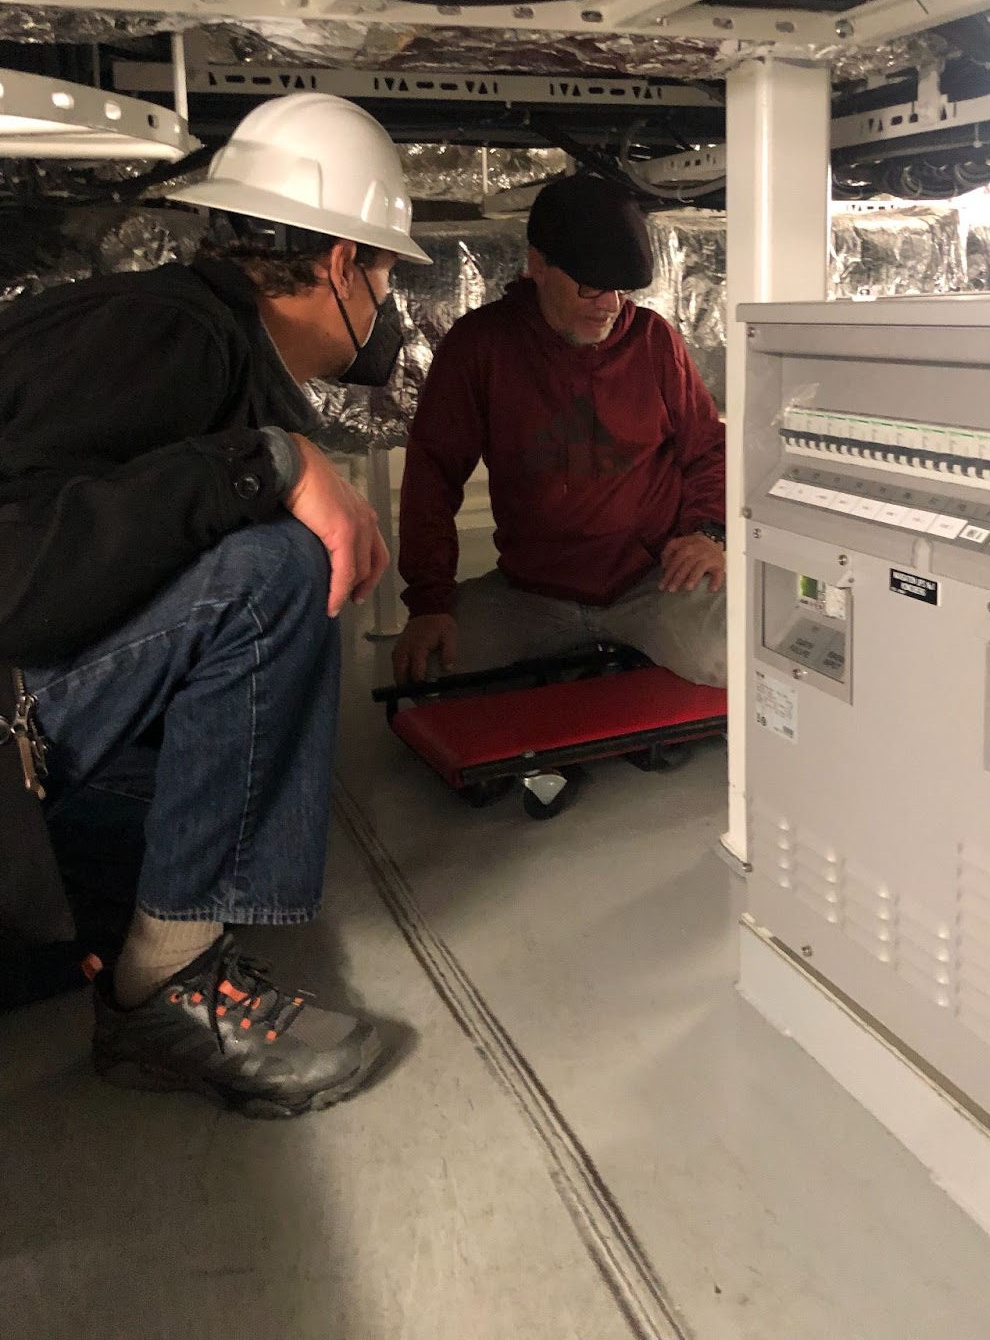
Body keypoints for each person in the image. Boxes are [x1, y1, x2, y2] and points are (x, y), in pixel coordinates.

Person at [0, 91, 430, 1117]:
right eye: (383, 274)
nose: (384, 303)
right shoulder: (171, 336)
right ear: (340, 265)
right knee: (279, 566)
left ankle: (127, 928)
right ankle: (165, 991)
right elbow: (19, 574)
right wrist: (264, 464)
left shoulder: (191, 335)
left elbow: (130, 578)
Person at [391, 173, 726, 691]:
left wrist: (708, 533)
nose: (609, 305)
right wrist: (429, 601)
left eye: (621, 290)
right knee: (429, 672)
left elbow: (707, 450)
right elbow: (433, 472)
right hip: (532, 592)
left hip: (652, 583)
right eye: (591, 286)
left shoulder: (654, 342)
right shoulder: (482, 346)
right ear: (538, 265)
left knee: (740, 657)